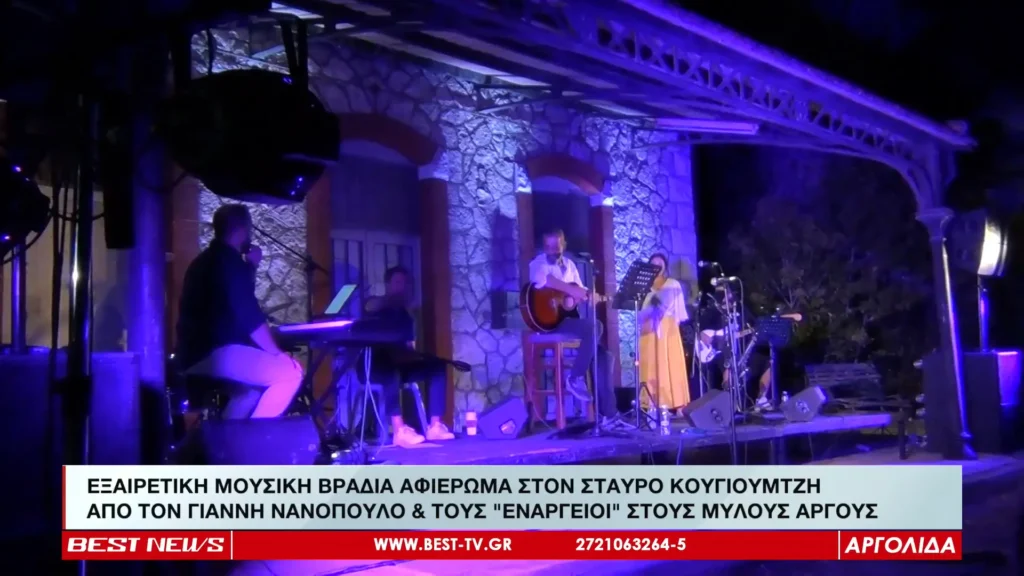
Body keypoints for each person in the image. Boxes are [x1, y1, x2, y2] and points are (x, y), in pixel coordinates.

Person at [175, 204, 303, 419]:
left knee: (249, 392)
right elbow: (249, 316)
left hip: (191, 354)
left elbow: (232, 301)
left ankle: (225, 439)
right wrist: (277, 353)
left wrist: (250, 268)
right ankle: (256, 437)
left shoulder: (204, 261)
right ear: (242, 229)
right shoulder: (230, 264)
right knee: (291, 373)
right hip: (216, 351)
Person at [527, 229, 621, 427]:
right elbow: (547, 281)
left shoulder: (570, 265)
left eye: (556, 246)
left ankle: (609, 415)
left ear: (564, 245)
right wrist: (573, 291)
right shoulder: (537, 264)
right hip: (547, 323)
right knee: (594, 326)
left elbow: (576, 295)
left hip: (567, 319)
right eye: (548, 247)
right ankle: (575, 377)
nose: (553, 251)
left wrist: (587, 296)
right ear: (544, 247)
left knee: (604, 355)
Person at [364, 266, 455, 448]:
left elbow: (407, 344)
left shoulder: (405, 315)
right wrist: (390, 299)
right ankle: (399, 430)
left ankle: (435, 426)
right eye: (398, 282)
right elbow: (369, 306)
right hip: (374, 366)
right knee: (391, 370)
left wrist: (415, 357)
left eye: (405, 283)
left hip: (399, 362)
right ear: (388, 284)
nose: (402, 287)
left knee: (437, 366)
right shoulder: (375, 306)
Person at [696, 286, 772, 411]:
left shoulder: (740, 309)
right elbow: (699, 331)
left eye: (728, 293)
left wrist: (755, 329)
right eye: (722, 293)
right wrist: (707, 338)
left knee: (768, 361)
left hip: (741, 350)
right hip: (720, 352)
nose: (727, 296)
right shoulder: (712, 312)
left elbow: (754, 324)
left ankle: (762, 399)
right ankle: (729, 401)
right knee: (729, 361)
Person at [638, 253, 690, 410]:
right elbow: (642, 312)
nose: (656, 266)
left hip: (667, 329)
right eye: (653, 263)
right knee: (651, 365)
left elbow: (675, 308)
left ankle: (678, 404)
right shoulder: (645, 288)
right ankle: (653, 403)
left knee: (670, 364)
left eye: (659, 263)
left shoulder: (672, 284)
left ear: (665, 266)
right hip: (649, 330)